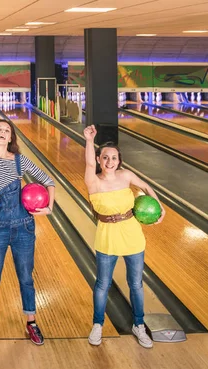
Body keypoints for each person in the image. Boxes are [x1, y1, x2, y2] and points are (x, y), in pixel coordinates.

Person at [0, 78, 56, 346]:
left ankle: (32, 322)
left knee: (26, 278)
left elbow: (48, 180)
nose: (3, 132)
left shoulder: (20, 160)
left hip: (25, 228)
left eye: (7, 130)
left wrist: (49, 206)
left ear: (11, 137)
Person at [83, 124, 165, 348]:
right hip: (107, 237)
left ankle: (138, 325)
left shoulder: (126, 175)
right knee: (102, 284)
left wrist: (160, 207)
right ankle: (98, 325)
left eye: (114, 158)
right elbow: (89, 163)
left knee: (136, 284)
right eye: (105, 158)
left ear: (120, 160)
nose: (110, 162)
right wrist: (89, 140)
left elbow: (147, 187)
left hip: (133, 236)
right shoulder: (94, 181)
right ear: (99, 160)